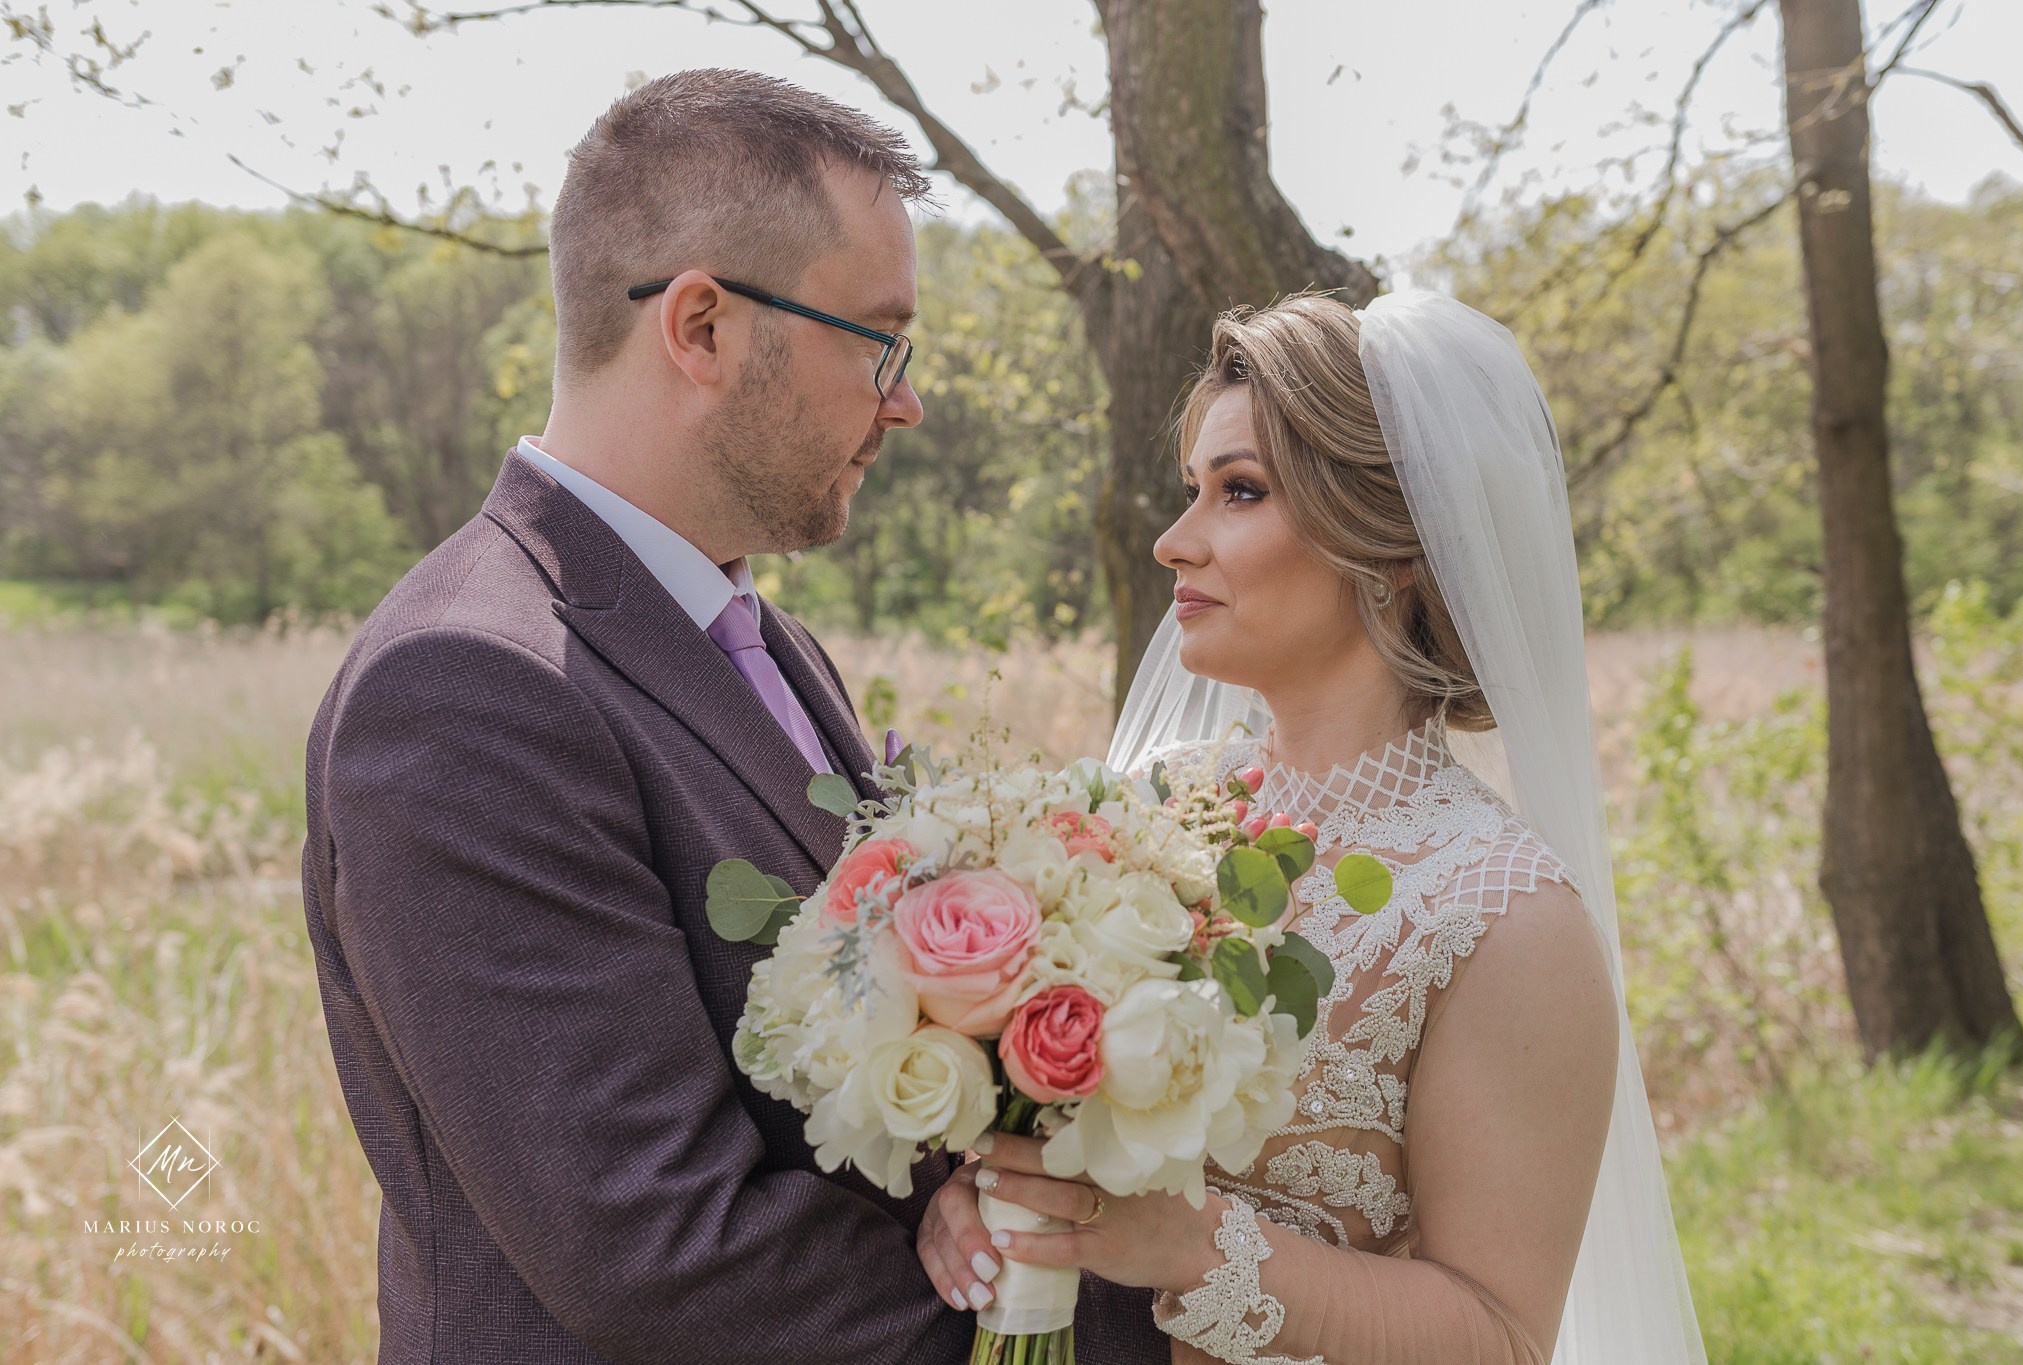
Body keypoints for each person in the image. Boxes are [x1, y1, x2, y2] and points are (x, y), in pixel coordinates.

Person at [300, 68, 1159, 1363]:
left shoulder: (764, 642)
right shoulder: (468, 691)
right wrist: (1127, 1302)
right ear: (700, 327)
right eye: (878, 338)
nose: (905, 398)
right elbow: (659, 1250)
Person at [919, 291, 1710, 1363]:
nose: (1171, 543)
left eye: (1237, 492)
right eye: (1189, 491)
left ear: (1395, 545)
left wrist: (1192, 1248)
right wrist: (983, 1197)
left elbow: (1501, 1335)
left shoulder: (1500, 916)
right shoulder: (1136, 813)